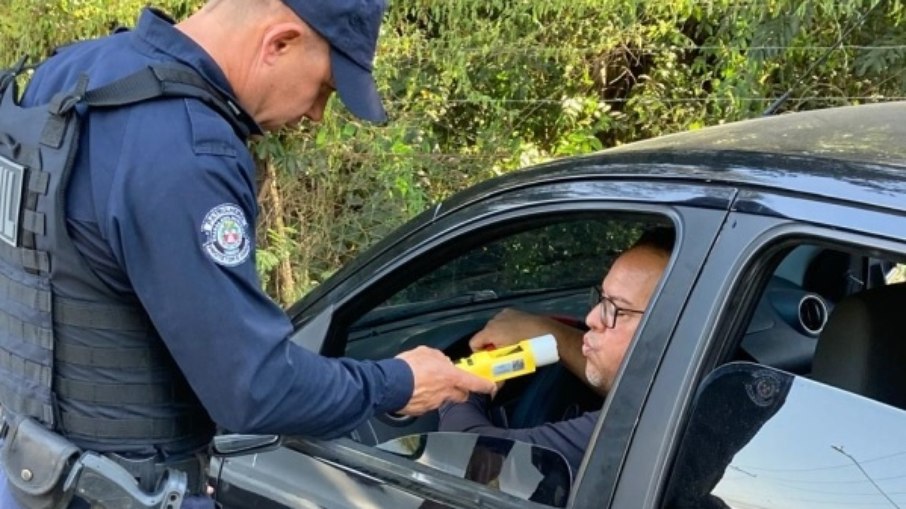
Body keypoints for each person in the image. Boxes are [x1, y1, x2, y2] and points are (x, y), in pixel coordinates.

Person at [0, 1, 493, 507]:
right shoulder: (186, 149)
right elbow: (258, 390)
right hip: (114, 491)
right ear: (280, 42)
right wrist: (398, 383)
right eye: (325, 87)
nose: (318, 114)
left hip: (28, 469)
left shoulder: (72, 73)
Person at [439, 228, 674, 472]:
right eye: (602, 299)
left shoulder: (636, 429)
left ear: (675, 329)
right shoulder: (681, 391)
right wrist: (548, 332)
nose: (592, 318)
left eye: (620, 310)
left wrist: (461, 387)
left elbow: (475, 455)